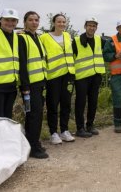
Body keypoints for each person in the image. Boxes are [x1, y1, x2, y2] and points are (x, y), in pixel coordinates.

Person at [40, 13, 76, 144]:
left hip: (68, 74)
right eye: (59, 22)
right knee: (53, 105)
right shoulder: (44, 37)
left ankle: (65, 130)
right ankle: (53, 132)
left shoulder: (67, 35)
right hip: (53, 76)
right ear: (54, 23)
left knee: (66, 103)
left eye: (63, 22)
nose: (61, 24)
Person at [18, 11, 48, 159]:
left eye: (36, 20)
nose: (34, 22)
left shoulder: (37, 37)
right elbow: (22, 64)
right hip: (29, 85)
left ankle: (33, 143)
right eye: (31, 20)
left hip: (39, 82)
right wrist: (25, 87)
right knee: (34, 115)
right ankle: (33, 147)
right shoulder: (22, 38)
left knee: (35, 114)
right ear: (25, 22)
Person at [72, 17, 106, 137]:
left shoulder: (99, 39)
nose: (91, 28)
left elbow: (108, 50)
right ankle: (80, 128)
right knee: (80, 103)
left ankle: (90, 125)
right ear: (85, 26)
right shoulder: (76, 41)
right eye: (89, 25)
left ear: (96, 27)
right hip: (81, 76)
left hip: (96, 75)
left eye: (94, 26)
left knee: (93, 102)